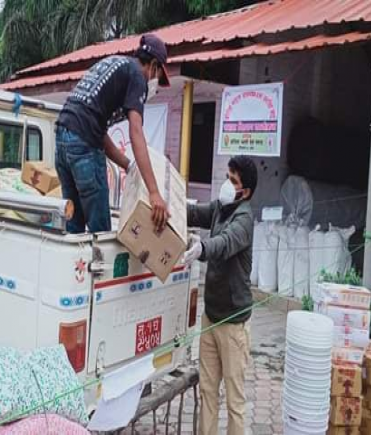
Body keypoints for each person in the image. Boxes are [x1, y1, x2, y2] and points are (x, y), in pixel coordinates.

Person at [55, 34, 171, 234]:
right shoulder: (137, 76)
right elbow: (136, 132)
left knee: (74, 225)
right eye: (158, 76)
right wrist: (154, 193)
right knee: (100, 231)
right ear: (153, 65)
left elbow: (97, 132)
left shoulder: (116, 64)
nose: (155, 83)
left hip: (62, 140)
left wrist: (128, 165)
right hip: (83, 145)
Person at [183, 156, 258, 435]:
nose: (227, 184)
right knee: (207, 393)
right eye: (227, 177)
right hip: (211, 316)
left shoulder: (244, 219)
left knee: (235, 403)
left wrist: (201, 248)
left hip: (233, 324)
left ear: (245, 192)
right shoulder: (220, 208)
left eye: (233, 181)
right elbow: (194, 213)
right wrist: (169, 202)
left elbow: (225, 244)